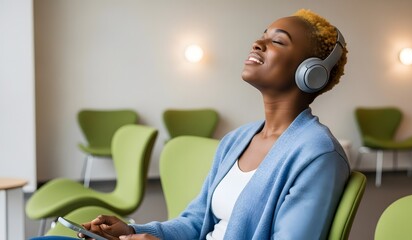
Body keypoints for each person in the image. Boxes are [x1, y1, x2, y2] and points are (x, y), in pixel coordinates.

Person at [37, 8, 350, 240]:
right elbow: (196, 220)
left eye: (277, 42)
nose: (257, 43)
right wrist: (132, 230)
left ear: (311, 72)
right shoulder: (237, 139)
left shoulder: (317, 154)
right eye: (262, 35)